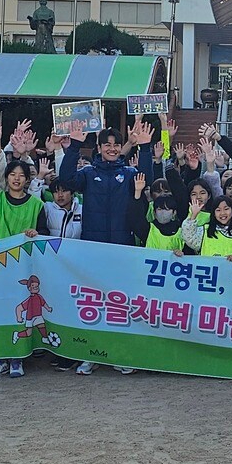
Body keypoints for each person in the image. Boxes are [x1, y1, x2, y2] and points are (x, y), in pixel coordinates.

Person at [58, 121, 154, 375]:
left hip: (122, 247)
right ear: (99, 148)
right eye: (106, 145)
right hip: (94, 248)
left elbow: (150, 181)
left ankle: (120, 354)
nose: (111, 149)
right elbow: (66, 179)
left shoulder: (130, 174)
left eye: (115, 145)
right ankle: (91, 354)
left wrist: (145, 149)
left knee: (121, 304)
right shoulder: (89, 174)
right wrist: (75, 145)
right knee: (94, 303)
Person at [0, 159, 52, 379]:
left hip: (24, 267)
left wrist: (35, 233)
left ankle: (17, 358)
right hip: (1, 265)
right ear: (6, 177)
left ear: (27, 179)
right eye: (13, 174)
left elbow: (44, 233)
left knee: (22, 313)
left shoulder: (36, 205)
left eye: (22, 175)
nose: (17, 178)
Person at [184, 195, 232, 259]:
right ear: (213, 214)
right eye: (218, 210)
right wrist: (194, 215)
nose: (222, 213)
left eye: (226, 209)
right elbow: (188, 237)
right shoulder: (205, 231)